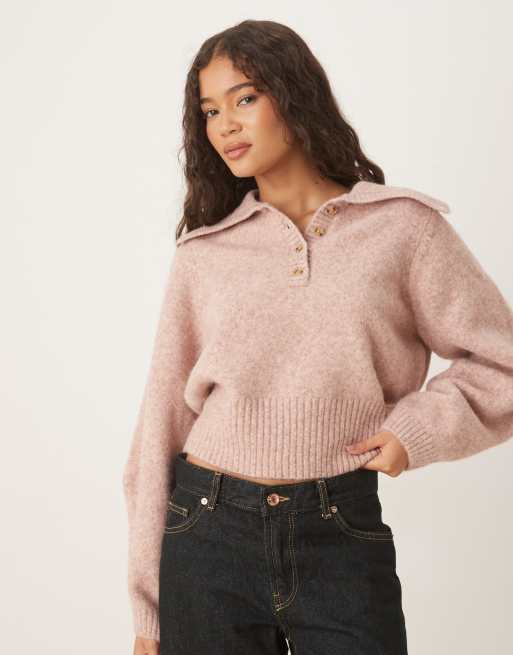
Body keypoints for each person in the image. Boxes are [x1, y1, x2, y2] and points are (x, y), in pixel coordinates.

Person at [122, 19, 513, 655]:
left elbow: (502, 362)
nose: (225, 126)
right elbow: (160, 425)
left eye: (246, 98)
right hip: (206, 532)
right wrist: (148, 611)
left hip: (339, 528)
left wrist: (415, 431)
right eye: (211, 111)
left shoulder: (403, 229)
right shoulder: (205, 252)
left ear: (294, 95)